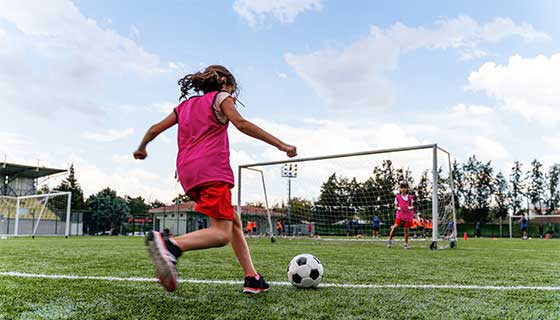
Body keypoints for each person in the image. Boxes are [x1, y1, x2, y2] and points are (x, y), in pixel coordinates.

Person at [134, 65, 297, 293]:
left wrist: (141, 148)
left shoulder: (184, 106)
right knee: (221, 233)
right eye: (232, 88)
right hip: (211, 170)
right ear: (224, 83)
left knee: (234, 222)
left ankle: (252, 278)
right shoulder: (221, 98)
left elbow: (153, 129)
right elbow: (241, 124)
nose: (232, 93)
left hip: (187, 174)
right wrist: (281, 144)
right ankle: (171, 245)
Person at [387, 182, 414, 249]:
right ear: (400, 189)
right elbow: (395, 206)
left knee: (406, 230)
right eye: (402, 188)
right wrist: (398, 208)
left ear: (407, 189)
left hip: (408, 215)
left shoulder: (410, 197)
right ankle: (389, 240)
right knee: (395, 227)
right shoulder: (397, 197)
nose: (403, 189)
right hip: (400, 214)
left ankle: (406, 244)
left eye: (405, 188)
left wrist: (409, 208)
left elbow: (412, 206)